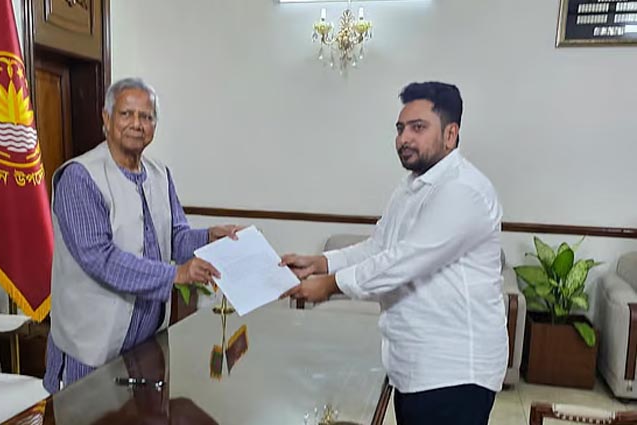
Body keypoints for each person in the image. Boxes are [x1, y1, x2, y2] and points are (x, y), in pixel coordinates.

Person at [281, 82, 508, 425]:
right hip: (415, 365)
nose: (404, 138)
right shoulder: (410, 187)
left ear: (450, 134)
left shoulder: (463, 190)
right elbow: (379, 247)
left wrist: (329, 285)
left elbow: (405, 262)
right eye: (400, 129)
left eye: (418, 128)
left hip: (455, 371)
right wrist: (322, 262)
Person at [43, 77, 241, 393]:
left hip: (146, 347)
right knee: (86, 416)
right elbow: (100, 259)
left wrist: (209, 238)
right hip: (91, 352)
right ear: (107, 118)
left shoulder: (160, 174)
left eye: (146, 116)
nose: (137, 124)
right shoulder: (79, 177)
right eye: (126, 114)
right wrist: (177, 274)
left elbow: (175, 237)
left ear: (154, 126)